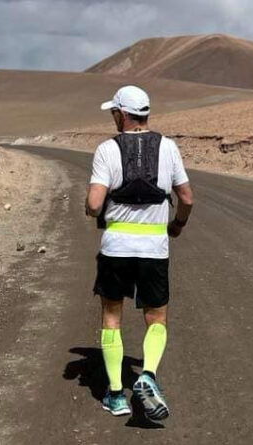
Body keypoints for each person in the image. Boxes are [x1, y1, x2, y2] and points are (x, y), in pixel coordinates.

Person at [84, 85, 194, 420]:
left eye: (113, 112)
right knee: (156, 317)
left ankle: (116, 395)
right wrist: (176, 225)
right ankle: (147, 376)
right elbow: (187, 198)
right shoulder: (169, 148)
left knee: (112, 316)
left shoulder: (107, 149)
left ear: (122, 113)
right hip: (153, 248)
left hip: (116, 248)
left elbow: (93, 204)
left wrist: (92, 210)